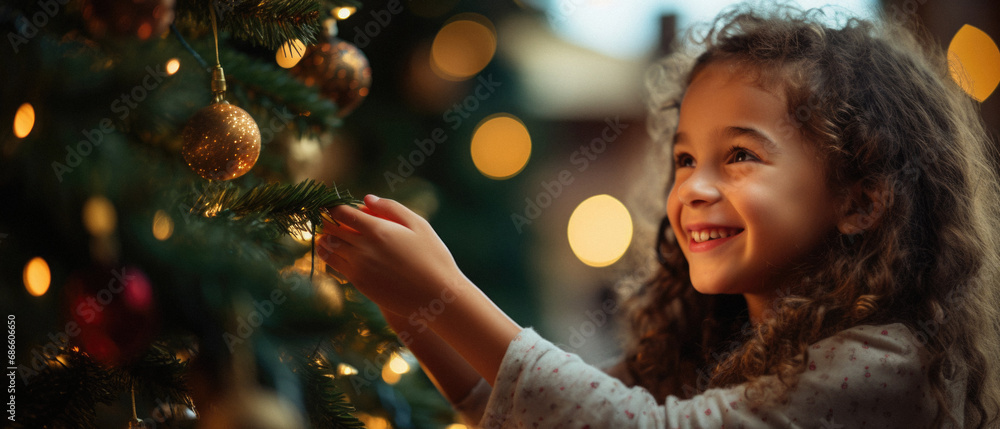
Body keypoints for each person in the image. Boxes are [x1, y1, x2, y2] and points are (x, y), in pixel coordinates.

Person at [318, 5, 1000, 428]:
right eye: (682, 159)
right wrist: (410, 307)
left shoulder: (887, 360)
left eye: (738, 155)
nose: (692, 188)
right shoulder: (719, 344)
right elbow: (520, 412)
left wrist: (445, 291)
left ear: (860, 199)